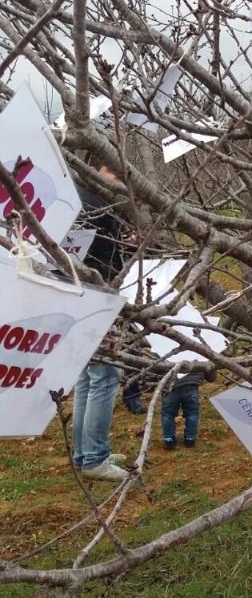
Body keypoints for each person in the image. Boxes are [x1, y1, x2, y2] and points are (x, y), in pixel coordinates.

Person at [72, 162, 129, 482]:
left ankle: (87, 452)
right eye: (116, 174)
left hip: (75, 298)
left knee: (86, 377)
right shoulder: (99, 206)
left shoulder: (74, 197)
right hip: (99, 296)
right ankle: (94, 457)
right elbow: (114, 258)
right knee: (105, 376)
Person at [161, 365, 216, 449]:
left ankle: (169, 440)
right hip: (191, 386)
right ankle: (190, 439)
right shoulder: (200, 352)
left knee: (168, 414)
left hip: (169, 386)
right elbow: (211, 376)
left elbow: (154, 369)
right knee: (192, 413)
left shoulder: (161, 351)